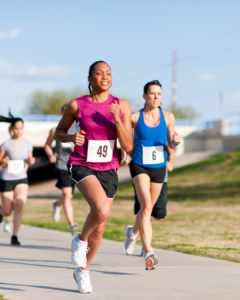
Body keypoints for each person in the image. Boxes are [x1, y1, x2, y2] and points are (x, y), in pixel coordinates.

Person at [54, 61, 133, 293]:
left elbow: (128, 145)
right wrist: (71, 138)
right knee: (101, 210)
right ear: (90, 79)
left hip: (109, 168)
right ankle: (79, 240)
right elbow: (59, 132)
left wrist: (118, 120)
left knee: (100, 227)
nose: (104, 77)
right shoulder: (77, 105)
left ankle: (83, 271)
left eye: (108, 73)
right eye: (99, 73)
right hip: (82, 163)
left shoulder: (122, 105)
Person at [122, 80, 180, 270]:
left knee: (147, 209)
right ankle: (148, 251)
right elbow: (123, 136)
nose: (156, 97)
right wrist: (124, 152)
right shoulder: (134, 117)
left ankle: (132, 233)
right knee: (146, 205)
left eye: (159, 94)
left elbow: (170, 144)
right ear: (145, 96)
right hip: (139, 165)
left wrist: (175, 143)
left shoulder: (169, 117)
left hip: (159, 167)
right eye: (152, 93)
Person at [0, 111, 35, 245]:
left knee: (19, 204)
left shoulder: (27, 144)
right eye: (16, 128)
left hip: (21, 178)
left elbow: (30, 160)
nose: (19, 131)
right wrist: (3, 161)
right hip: (6, 179)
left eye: (21, 128)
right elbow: (0, 163)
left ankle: (14, 236)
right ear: (11, 129)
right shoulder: (6, 144)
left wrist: (31, 161)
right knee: (7, 211)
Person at [44, 104, 79, 236]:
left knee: (67, 195)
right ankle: (72, 225)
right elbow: (47, 145)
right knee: (68, 194)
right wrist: (51, 155)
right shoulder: (55, 130)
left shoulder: (78, 130)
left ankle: (57, 205)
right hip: (61, 165)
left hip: (75, 165)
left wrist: (76, 148)